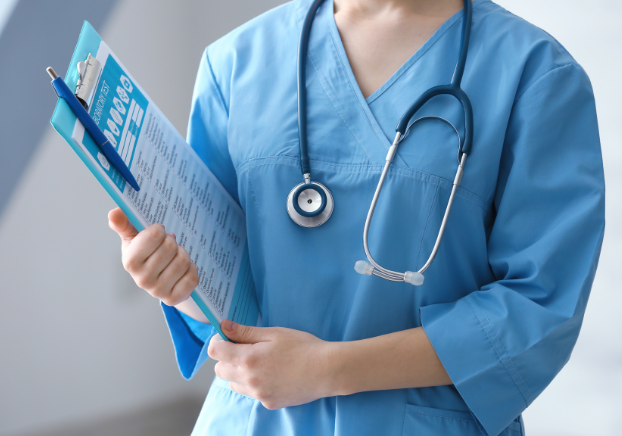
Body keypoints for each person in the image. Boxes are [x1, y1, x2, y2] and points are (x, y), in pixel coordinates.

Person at [108, 0, 605, 434]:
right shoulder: (236, 61)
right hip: (251, 419)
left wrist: (329, 369)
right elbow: (223, 289)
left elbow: (539, 307)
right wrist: (173, 280)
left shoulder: (536, 74)